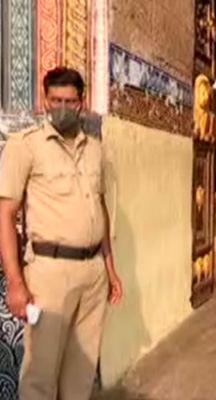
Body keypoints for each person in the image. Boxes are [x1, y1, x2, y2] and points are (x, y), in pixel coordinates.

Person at [0, 67, 123, 400]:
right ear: (45, 100)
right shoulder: (24, 146)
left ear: (81, 102)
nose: (63, 107)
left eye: (70, 100)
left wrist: (110, 270)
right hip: (49, 274)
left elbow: (101, 211)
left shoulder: (95, 148)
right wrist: (15, 283)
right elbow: (5, 215)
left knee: (80, 376)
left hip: (93, 274)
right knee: (40, 376)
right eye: (56, 100)